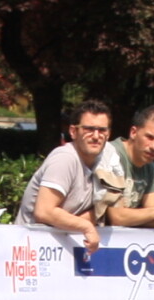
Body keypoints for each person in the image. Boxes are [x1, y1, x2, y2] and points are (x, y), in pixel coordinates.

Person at [15, 100, 117, 251]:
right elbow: (44, 211)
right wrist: (86, 227)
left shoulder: (106, 160)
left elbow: (101, 210)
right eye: (89, 129)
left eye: (102, 130)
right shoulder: (65, 158)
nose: (96, 136)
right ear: (73, 132)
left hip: (63, 251)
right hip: (31, 250)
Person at [91, 106, 154, 228]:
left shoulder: (149, 165)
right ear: (133, 132)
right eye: (150, 137)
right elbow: (117, 217)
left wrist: (151, 215)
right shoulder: (111, 155)